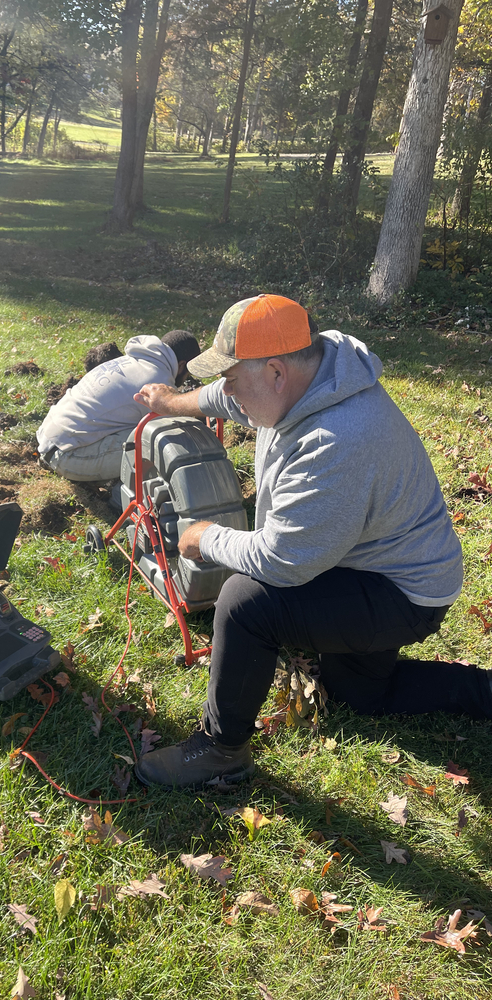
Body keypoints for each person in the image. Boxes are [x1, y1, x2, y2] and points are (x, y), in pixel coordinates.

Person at [132, 293, 490, 789]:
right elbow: (227, 396)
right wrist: (171, 402)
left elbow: (282, 562)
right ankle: (485, 692)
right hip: (370, 562)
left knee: (246, 602)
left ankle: (221, 750)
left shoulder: (336, 439)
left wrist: (206, 537)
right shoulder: (315, 372)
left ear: (277, 372)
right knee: (362, 696)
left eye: (233, 378)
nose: (228, 392)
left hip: (404, 593)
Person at [37, 330, 200, 483]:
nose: (185, 379)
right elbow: (174, 427)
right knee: (166, 441)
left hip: (48, 437)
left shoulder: (131, 360)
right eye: (187, 374)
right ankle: (122, 496)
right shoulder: (158, 383)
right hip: (67, 456)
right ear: (181, 365)